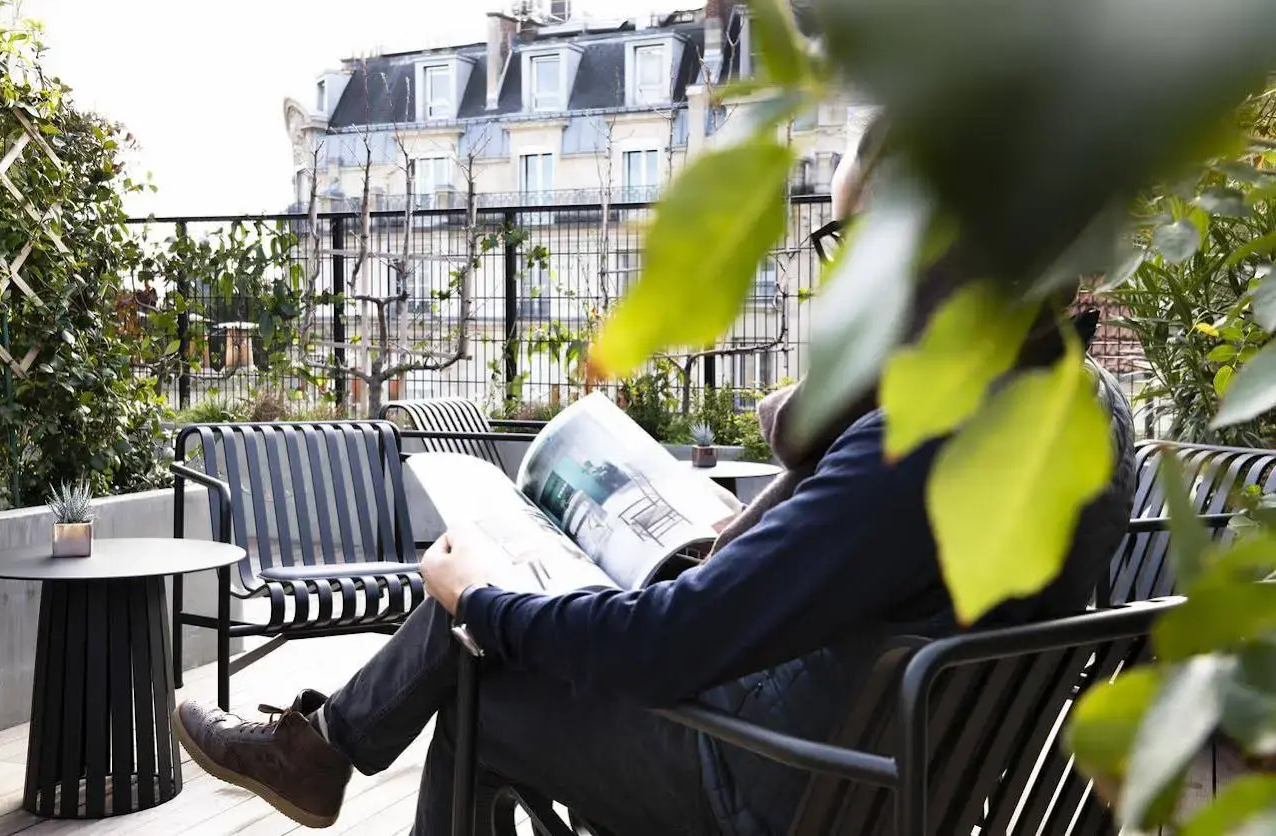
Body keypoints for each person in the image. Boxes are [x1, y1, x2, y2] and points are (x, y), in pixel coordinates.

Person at [172, 121, 1136, 836]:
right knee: (507, 592)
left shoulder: (925, 445)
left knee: (479, 679)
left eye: (850, 242)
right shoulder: (1080, 402)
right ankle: (323, 749)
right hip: (904, 775)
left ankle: (322, 750)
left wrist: (484, 605)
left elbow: (668, 647)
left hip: (789, 784)